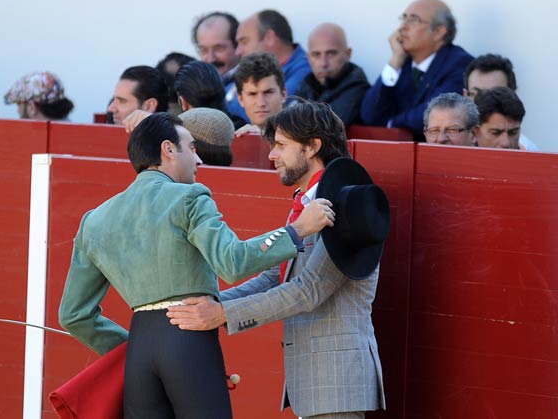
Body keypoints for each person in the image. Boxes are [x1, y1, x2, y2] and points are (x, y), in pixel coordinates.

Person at [58, 112, 335, 418]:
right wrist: (296, 231)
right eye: (192, 148)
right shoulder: (189, 197)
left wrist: (130, 346)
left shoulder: (94, 220)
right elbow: (233, 262)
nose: (199, 160)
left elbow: (74, 316)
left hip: (139, 347)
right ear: (168, 149)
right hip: (188, 340)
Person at [168, 101, 389, 419]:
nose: (272, 156)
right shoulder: (304, 204)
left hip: (336, 379)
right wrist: (207, 303)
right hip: (317, 378)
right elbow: (273, 277)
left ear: (313, 146)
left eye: (281, 146)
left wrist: (221, 314)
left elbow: (308, 290)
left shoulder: (344, 204)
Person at [361, 0, 473, 141]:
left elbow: (436, 114)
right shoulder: (402, 63)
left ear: (439, 32)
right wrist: (394, 62)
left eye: (414, 20)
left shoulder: (460, 63)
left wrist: (391, 123)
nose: (402, 27)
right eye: (403, 18)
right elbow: (369, 114)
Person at [228, 9, 311, 122]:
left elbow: (267, 116)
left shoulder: (307, 70)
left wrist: (227, 102)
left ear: (269, 38)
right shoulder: (241, 71)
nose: (238, 52)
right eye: (252, 94)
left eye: (244, 41)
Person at [297, 23, 369, 126]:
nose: (323, 63)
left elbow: (324, 127)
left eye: (331, 53)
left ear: (348, 54)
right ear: (308, 58)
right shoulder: (306, 85)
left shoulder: (358, 88)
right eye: (316, 55)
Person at [463, 53, 538, 151]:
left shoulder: (528, 151)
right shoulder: (448, 141)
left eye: (496, 93)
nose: (484, 100)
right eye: (476, 93)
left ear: (513, 94)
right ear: (465, 95)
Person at [233, 52, 287, 137]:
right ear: (240, 99)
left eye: (268, 92)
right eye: (252, 94)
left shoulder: (304, 135)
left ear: (283, 95)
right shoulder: (233, 140)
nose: (261, 103)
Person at [4, 71, 74, 120]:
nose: (18, 111)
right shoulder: (76, 137)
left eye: (19, 104)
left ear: (32, 107)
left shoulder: (31, 140)